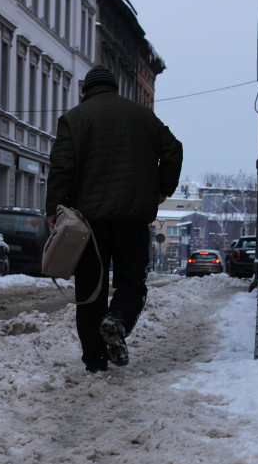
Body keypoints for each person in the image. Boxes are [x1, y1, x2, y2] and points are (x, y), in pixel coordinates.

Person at [45, 65, 183, 372]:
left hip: (88, 222)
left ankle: (95, 360)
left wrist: (54, 209)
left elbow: (62, 167)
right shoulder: (144, 116)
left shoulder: (74, 118)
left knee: (90, 290)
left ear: (86, 90)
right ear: (114, 87)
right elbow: (173, 150)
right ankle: (117, 319)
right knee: (131, 282)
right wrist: (162, 189)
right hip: (133, 216)